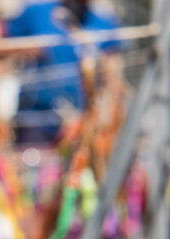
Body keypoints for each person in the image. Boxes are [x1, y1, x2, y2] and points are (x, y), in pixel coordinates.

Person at [6, 0, 121, 141]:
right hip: (36, 120)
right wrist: (23, 47)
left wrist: (107, 116)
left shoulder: (105, 24)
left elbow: (112, 76)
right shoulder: (35, 13)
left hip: (84, 122)